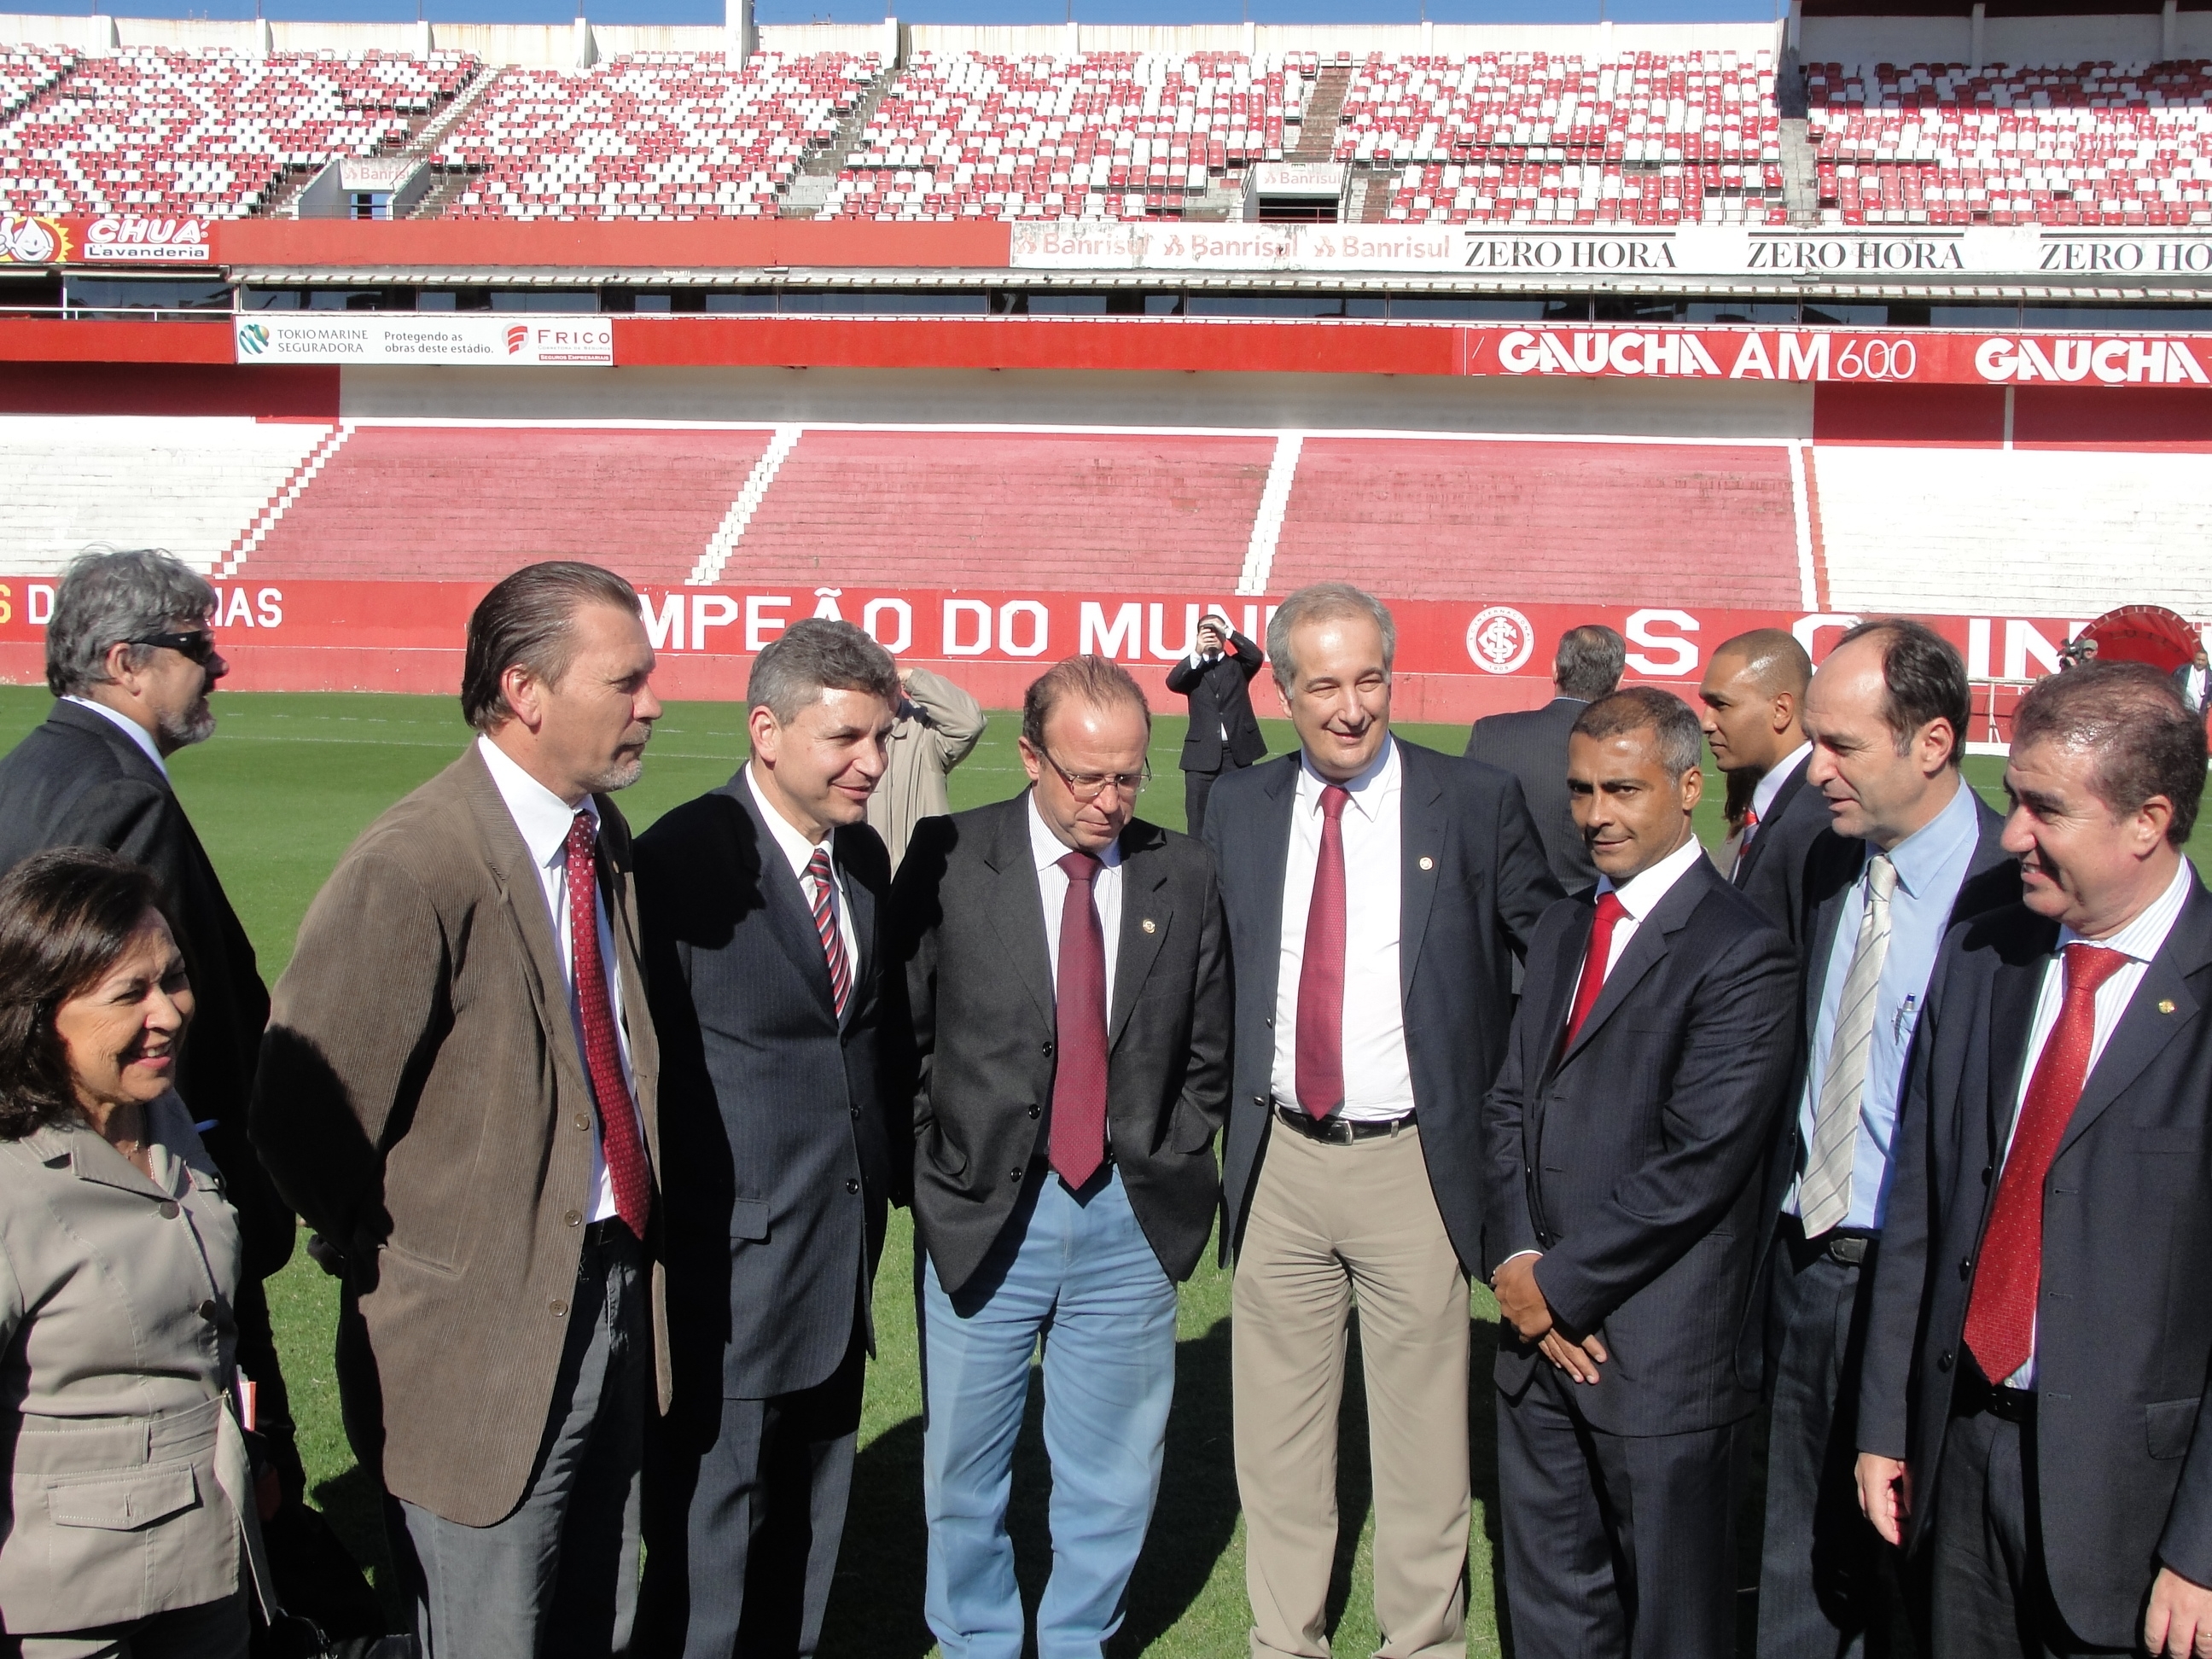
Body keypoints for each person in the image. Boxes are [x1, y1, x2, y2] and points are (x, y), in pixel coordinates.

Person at [252, 562, 667, 1659]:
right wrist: (407, 1249)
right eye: (626, 681)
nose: (654, 703)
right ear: (525, 691)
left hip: (612, 1284)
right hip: (476, 1341)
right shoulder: (417, 862)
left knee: (596, 1612)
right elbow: (300, 1111)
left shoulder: (598, 837)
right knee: (490, 1628)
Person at [1205, 581, 1561, 1659]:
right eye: (1324, 686)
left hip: (1415, 1164)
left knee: (1423, 1450)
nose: (1351, 707)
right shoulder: (1240, 806)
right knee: (1277, 1450)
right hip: (1278, 1164)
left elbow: (1552, 959)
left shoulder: (1475, 800)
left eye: (1370, 680)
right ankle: (1286, 1643)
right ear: (1285, 690)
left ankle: (1423, 1645)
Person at [1857, 661, 2212, 1659]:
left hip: (2136, 1520)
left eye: (2045, 810)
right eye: (2013, 800)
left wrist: (2202, 1549)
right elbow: (1921, 1208)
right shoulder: (1983, 954)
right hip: (1956, 1459)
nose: (2011, 835)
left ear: (2147, 822)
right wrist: (1887, 1421)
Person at [890, 654, 1231, 1659]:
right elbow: (904, 1034)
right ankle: (978, 1641)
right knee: (963, 1470)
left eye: (1129, 776)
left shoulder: (1186, 870)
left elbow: (1208, 1049)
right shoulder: (951, 855)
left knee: (1114, 1473)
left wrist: (1167, 1150)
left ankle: (1079, 1639)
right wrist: (939, 1157)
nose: (1110, 801)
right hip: (983, 1210)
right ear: (1031, 756)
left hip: (1129, 1216)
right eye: (1087, 777)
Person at [1482, 686, 1796, 1659]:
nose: (1595, 815)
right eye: (1580, 791)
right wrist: (1519, 1259)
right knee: (1552, 1615)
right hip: (1538, 1344)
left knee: (1672, 1623)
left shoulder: (1743, 948)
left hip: (1658, 1357)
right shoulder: (1565, 923)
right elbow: (1508, 1104)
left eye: (1622, 790)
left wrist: (1559, 1289)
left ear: (1689, 788)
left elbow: (1700, 1165)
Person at [0, 548, 301, 1501]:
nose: (217, 666)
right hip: (132, 1180)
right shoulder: (118, 795)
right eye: (195, 647)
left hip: (53, 1169)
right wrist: (216, 1177)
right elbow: (142, 1026)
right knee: (228, 1451)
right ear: (125, 662)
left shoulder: (32, 766)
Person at [634, 618, 903, 1657]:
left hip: (840, 1259)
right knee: (712, 1553)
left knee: (808, 1531)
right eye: (845, 739)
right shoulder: (678, 863)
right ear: (766, 731)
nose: (871, 763)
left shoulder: (862, 855)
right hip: (730, 1280)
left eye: (882, 738)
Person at [1756, 618, 2020, 1659]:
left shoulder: (2015, 896)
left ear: (1934, 742)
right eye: (1813, 740)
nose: (1816, 768)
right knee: (1794, 1571)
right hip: (1802, 1266)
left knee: (1918, 1582)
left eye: (1843, 745)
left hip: (1932, 1293)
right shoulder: (1822, 859)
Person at [0, 848, 272, 1656]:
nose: (170, 1012)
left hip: (210, 1574)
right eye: (131, 994)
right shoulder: (13, 1180)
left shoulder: (162, 1112)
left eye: (174, 978)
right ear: (40, 1011)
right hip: (75, 1615)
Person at [1466, 622, 1625, 895]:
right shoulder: (1627, 750)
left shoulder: (1491, 734)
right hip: (1589, 909)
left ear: (1555, 670)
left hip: (1502, 909)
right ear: (1619, 681)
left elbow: (1463, 828)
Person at [1697, 626, 1826, 943]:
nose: (1706, 722)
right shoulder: (1766, 806)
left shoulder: (1818, 818)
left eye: (1721, 705)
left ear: (1781, 710)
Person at [868, 662, 987, 870]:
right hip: (860, 878)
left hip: (922, 876)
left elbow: (969, 723)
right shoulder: (844, 738)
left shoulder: (924, 732)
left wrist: (912, 678)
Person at [1166, 612, 1266, 839]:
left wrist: (1229, 632)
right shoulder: (1193, 671)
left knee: (1239, 816)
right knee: (1198, 820)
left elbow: (1255, 655)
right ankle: (1199, 859)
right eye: (1206, 631)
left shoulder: (1238, 666)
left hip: (1237, 755)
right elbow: (1172, 682)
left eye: (1217, 631)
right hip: (1201, 757)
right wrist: (1197, 651)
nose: (1212, 635)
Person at [2173, 642, 2208, 715]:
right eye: (2198, 659)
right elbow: (2172, 686)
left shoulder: (2210, 677)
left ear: (2207, 661)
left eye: (2203, 660)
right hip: (2182, 710)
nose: (2200, 662)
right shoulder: (2181, 671)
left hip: (2199, 714)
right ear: (2194, 659)